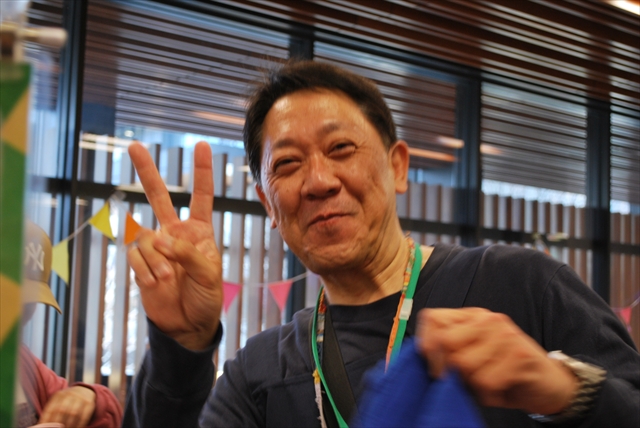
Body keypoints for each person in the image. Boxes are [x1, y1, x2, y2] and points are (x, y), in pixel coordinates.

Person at [122, 61, 639, 427]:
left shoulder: (519, 286)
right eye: (288, 163)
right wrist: (181, 345)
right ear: (268, 205)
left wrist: (564, 391)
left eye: (341, 148)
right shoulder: (262, 372)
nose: (319, 181)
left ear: (397, 166)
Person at [17, 221, 123, 428]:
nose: (19, 315)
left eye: (29, 302)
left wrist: (87, 395)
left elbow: (109, 411)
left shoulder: (20, 360)